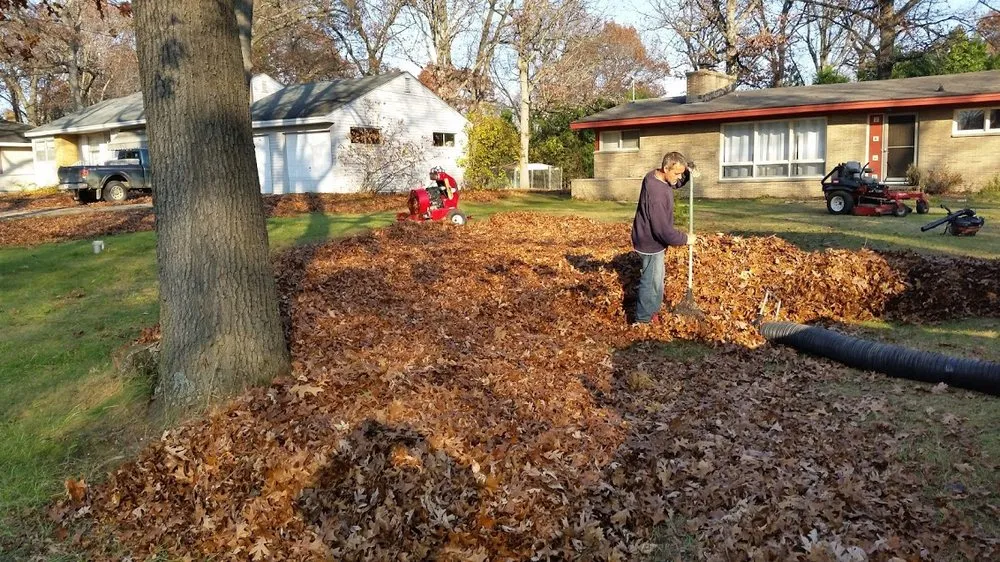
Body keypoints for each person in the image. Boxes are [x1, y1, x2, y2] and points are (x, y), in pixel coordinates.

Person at [631, 152, 697, 324]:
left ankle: (650, 311)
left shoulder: (654, 176)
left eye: (681, 173)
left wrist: (688, 172)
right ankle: (643, 320)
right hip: (650, 242)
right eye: (676, 173)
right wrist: (685, 239)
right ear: (665, 168)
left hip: (646, 235)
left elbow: (675, 182)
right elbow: (664, 232)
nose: (679, 177)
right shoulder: (657, 195)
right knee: (651, 282)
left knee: (656, 278)